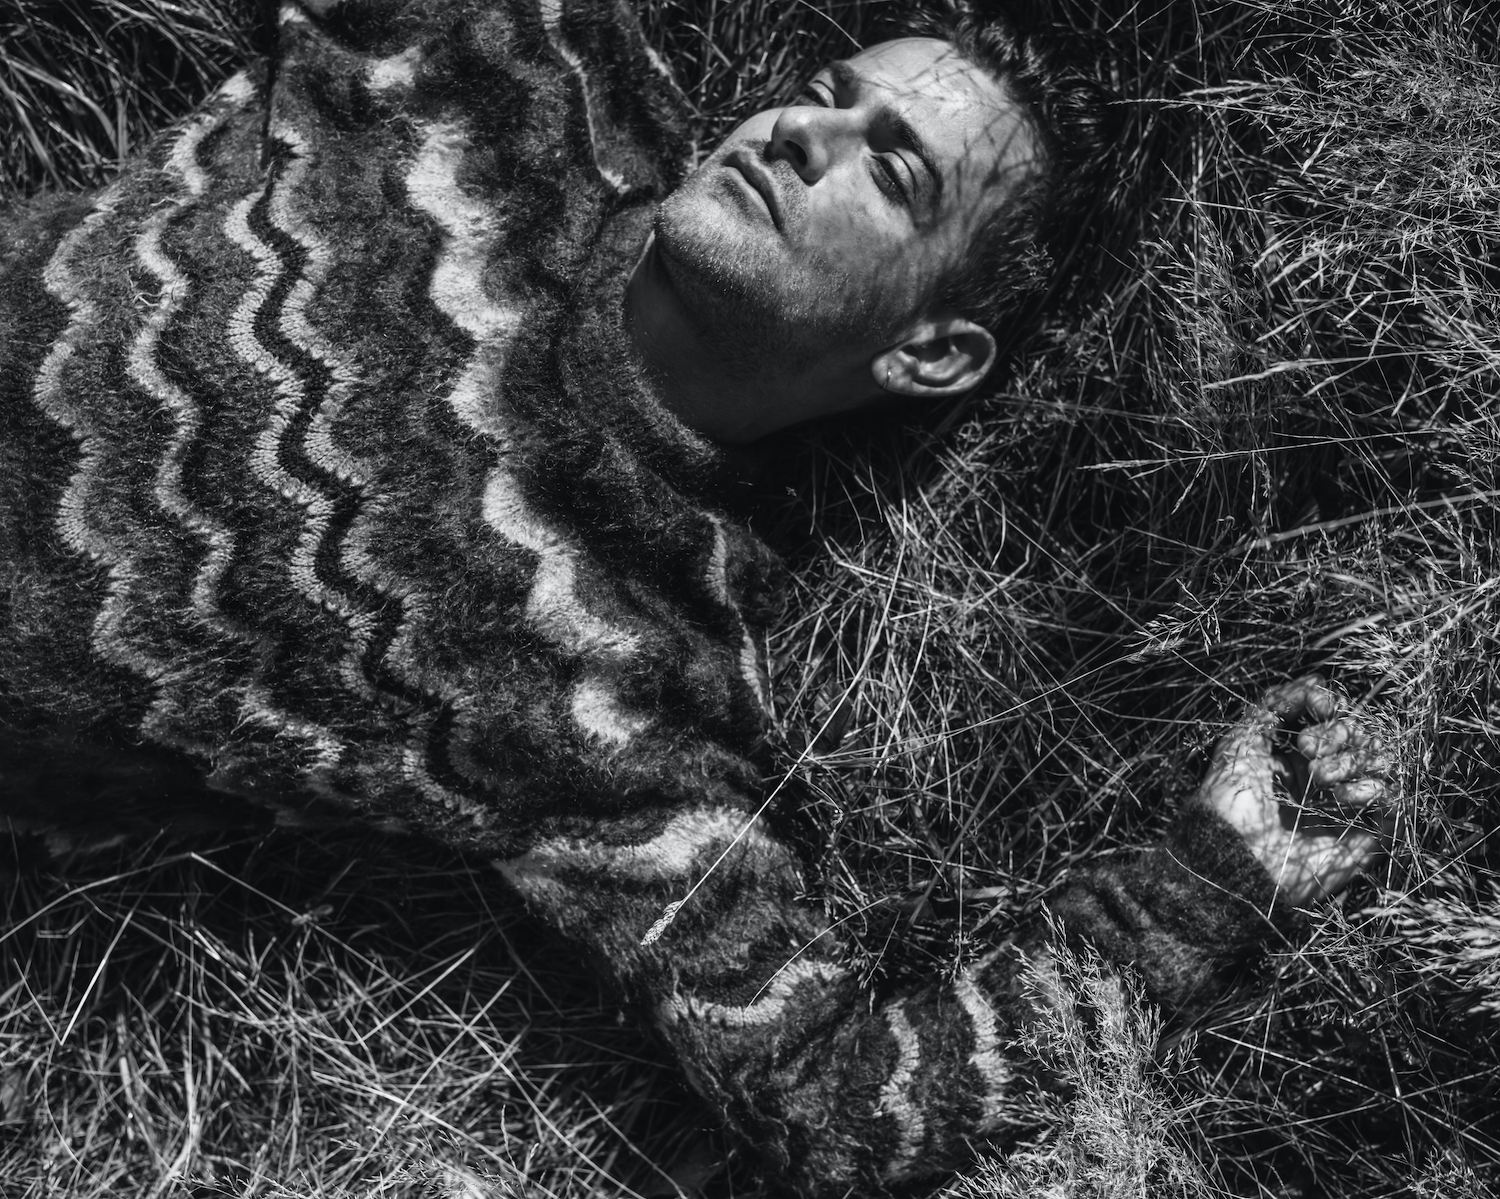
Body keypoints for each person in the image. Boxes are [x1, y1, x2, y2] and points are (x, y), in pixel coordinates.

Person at [0, 0, 1391, 1191]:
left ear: (930, 355)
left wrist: (1204, 886)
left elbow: (837, 1106)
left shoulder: (630, 674)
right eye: (824, 91)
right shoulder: (511, 86)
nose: (800, 132)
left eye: (888, 168)